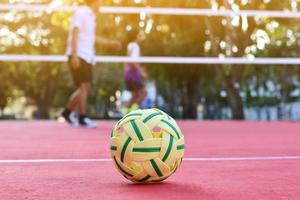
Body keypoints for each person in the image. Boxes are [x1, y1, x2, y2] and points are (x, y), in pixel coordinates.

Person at [62, 0, 121, 128]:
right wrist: (75, 54)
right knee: (84, 86)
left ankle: (67, 113)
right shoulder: (81, 12)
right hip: (79, 54)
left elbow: (91, 37)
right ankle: (82, 117)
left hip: (87, 56)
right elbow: (75, 32)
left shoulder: (91, 16)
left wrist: (111, 43)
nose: (102, 3)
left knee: (85, 87)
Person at [123, 29, 148, 114]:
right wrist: (141, 71)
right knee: (144, 93)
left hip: (128, 73)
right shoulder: (135, 46)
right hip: (132, 73)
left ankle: (126, 112)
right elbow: (133, 61)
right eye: (139, 34)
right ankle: (132, 112)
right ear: (136, 36)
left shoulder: (130, 45)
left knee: (134, 95)